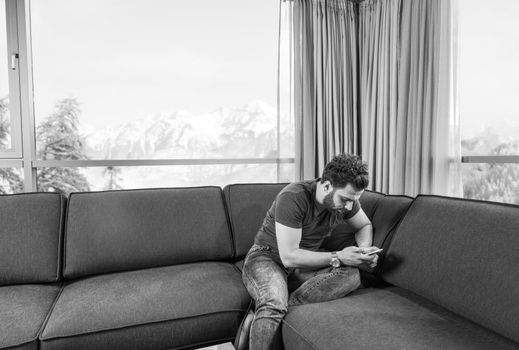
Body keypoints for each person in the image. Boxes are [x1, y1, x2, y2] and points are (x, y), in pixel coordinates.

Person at [237, 153, 380, 350]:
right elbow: (289, 257)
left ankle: (265, 315)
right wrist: (339, 256)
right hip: (268, 257)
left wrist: (362, 252)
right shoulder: (294, 196)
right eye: (345, 199)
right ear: (327, 185)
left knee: (352, 275)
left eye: (353, 200)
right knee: (273, 302)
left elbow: (364, 225)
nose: (349, 206)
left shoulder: (348, 201)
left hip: (306, 262)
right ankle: (272, 309)